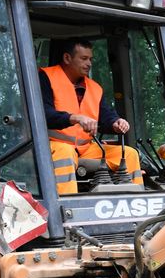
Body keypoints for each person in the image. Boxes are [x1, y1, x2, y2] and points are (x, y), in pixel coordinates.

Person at [41, 39, 142, 194]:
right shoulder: (46, 77)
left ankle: (137, 199)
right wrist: (75, 118)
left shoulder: (95, 88)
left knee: (129, 153)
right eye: (84, 58)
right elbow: (43, 114)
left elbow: (106, 116)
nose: (89, 63)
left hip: (86, 148)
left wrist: (116, 123)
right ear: (67, 58)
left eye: (90, 59)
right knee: (65, 152)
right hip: (51, 145)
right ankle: (66, 203)